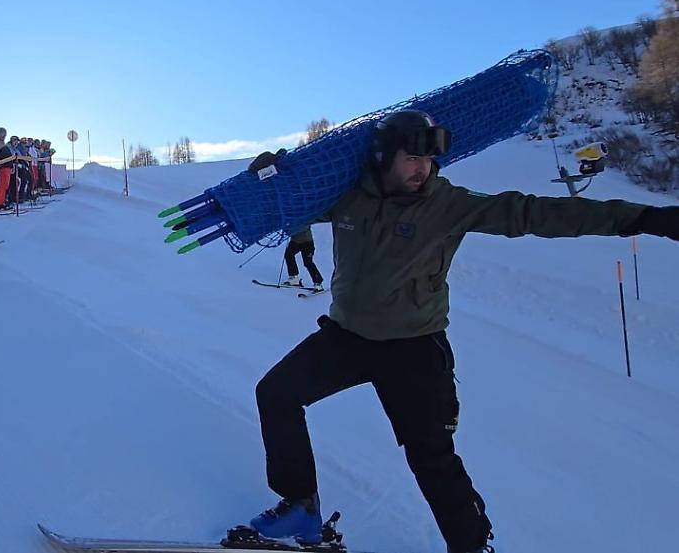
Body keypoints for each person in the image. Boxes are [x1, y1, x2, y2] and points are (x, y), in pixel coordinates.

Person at [247, 110, 679, 553]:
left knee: (431, 456)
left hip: (414, 349)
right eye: (412, 158)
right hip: (346, 337)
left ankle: (472, 546)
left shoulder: (447, 203)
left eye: (428, 159)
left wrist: (646, 218)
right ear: (383, 157)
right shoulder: (348, 195)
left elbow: (537, 213)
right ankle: (301, 507)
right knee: (277, 394)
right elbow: (291, 203)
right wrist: (269, 177)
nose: (423, 168)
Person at [282, 226, 323, 290]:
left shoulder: (303, 220)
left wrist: (291, 229)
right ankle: (294, 279)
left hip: (307, 242)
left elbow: (304, 227)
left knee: (308, 263)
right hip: (295, 241)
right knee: (288, 255)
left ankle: (318, 284)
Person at [0, 129, 13, 210]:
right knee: (3, 185)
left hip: (7, 166)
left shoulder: (3, 144)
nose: (4, 136)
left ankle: (1, 201)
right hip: (3, 166)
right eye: (2, 134)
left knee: (5, 185)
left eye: (4, 134)